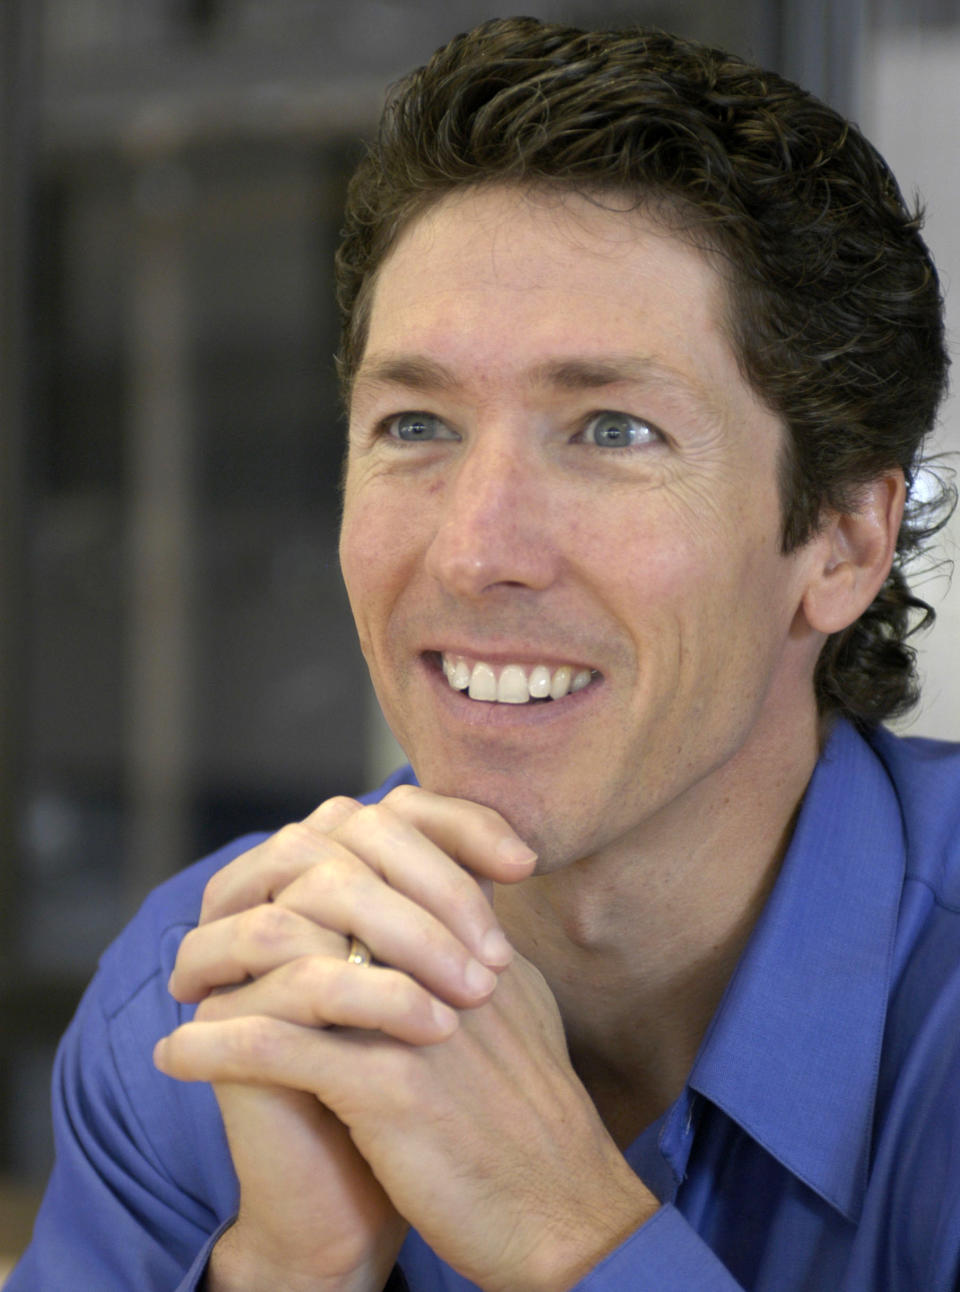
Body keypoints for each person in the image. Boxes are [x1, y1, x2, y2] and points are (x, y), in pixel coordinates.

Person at [10, 16, 959, 1292]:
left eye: (613, 429)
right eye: (416, 422)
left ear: (842, 541)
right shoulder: (200, 990)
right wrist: (286, 1270)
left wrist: (571, 1232)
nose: (474, 550)